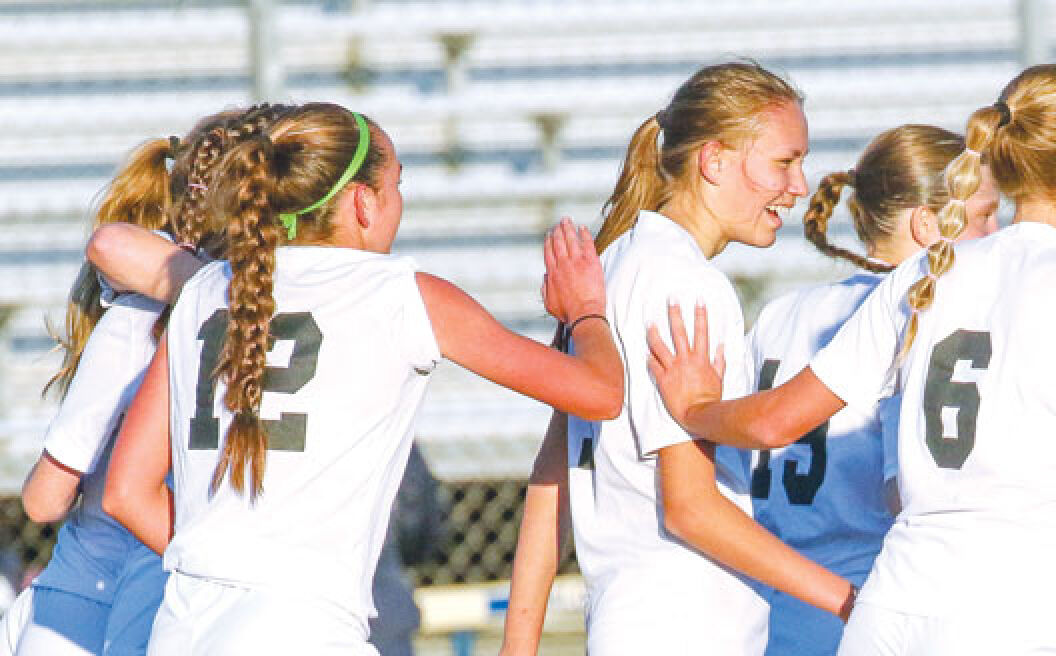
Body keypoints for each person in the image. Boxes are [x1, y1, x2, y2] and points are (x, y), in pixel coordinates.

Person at [647, 62, 1056, 656]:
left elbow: (775, 419)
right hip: (1012, 616)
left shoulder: (923, 274)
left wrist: (694, 408)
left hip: (889, 615)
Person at [100, 102, 623, 655]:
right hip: (304, 628)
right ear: (363, 203)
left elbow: (126, 492)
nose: (401, 202)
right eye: (396, 185)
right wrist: (586, 310)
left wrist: (224, 564)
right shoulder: (399, 294)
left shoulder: (204, 292)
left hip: (184, 627)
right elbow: (600, 393)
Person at [501, 61, 854, 656]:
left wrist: (518, 645)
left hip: (625, 619)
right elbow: (690, 509)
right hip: (687, 621)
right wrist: (850, 600)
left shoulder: (607, 270)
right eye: (784, 162)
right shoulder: (688, 284)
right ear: (714, 160)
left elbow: (551, 477)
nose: (799, 186)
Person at [2, 104, 287, 656]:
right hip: (170, 592)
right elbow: (109, 245)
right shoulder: (284, 312)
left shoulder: (142, 322)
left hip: (122, 586)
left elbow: (44, 500)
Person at [748, 124, 998, 655]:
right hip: (871, 607)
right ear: (929, 223)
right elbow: (911, 493)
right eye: (983, 217)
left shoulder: (779, 314)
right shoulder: (922, 316)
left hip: (769, 612)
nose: (999, 235)